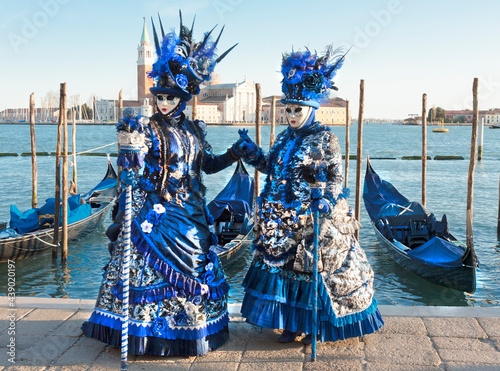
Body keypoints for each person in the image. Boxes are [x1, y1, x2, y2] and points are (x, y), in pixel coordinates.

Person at [82, 13, 255, 357]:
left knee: (197, 259)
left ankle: (189, 332)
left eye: (170, 98)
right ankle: (143, 332)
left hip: (190, 211)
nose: (163, 103)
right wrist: (129, 168)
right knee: (143, 267)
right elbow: (131, 164)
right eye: (160, 97)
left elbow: (206, 165)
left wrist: (235, 152)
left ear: (183, 99)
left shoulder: (194, 130)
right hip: (156, 210)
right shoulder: (146, 127)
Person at [239, 46, 384, 344]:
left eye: (297, 110)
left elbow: (336, 176)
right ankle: (291, 325)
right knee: (285, 275)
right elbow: (272, 167)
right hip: (278, 219)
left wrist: (326, 200)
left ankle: (312, 326)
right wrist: (253, 154)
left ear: (311, 109)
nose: (291, 115)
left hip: (312, 215)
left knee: (309, 273)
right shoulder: (283, 137)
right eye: (288, 109)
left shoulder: (325, 137)